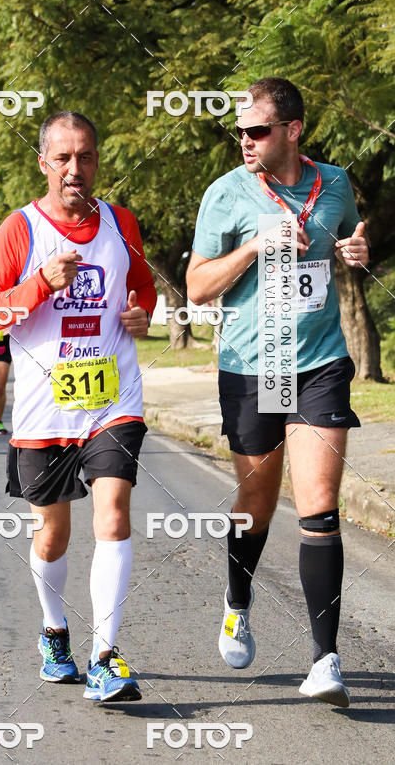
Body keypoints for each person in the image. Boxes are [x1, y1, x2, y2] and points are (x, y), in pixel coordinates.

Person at [187, 77, 369, 708]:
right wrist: (255, 246)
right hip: (252, 369)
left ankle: (325, 660)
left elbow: (348, 241)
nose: (245, 140)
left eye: (257, 130)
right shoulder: (225, 194)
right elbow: (197, 288)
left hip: (320, 364)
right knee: (257, 505)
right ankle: (238, 601)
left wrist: (356, 250)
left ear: (292, 130)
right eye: (239, 130)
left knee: (319, 507)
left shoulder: (335, 183)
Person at [0, 111, 157, 702]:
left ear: (97, 160)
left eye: (86, 156)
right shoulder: (20, 229)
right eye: (63, 158)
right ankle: (55, 632)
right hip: (43, 409)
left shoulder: (121, 222)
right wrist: (39, 284)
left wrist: (143, 313)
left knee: (113, 516)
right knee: (51, 535)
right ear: (44, 163)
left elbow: (142, 284)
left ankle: (105, 657)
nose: (75, 168)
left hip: (112, 400)